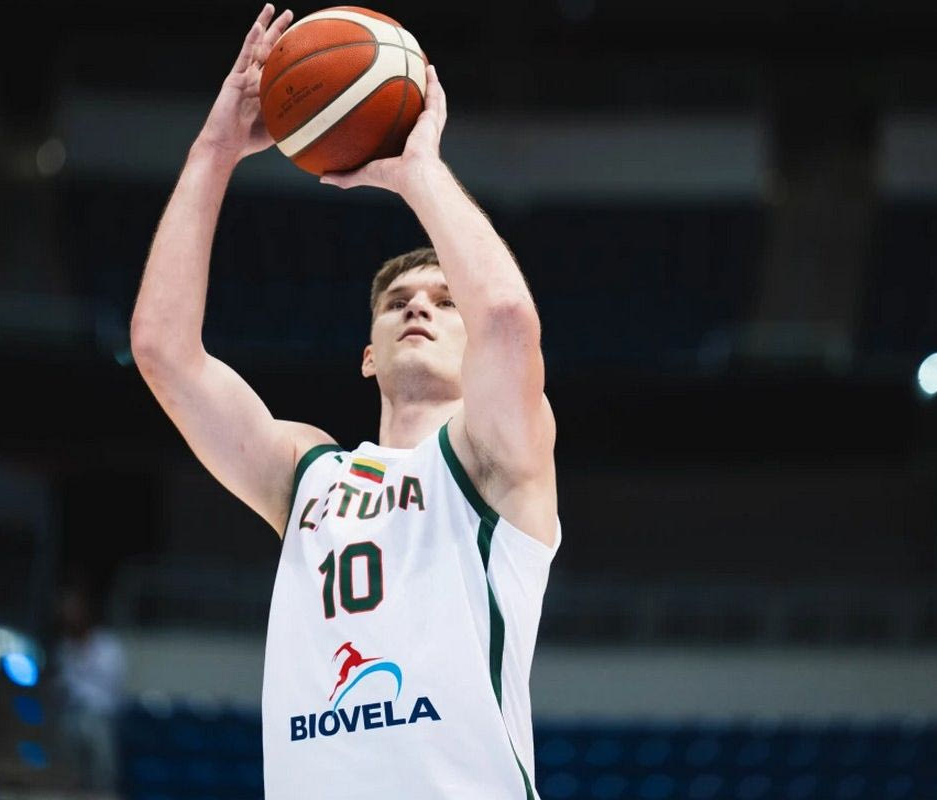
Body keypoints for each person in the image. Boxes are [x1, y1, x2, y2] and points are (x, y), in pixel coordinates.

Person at [130, 5, 560, 798]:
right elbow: (162, 351)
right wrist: (215, 149)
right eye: (397, 302)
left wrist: (418, 171)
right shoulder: (308, 473)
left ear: (475, 351)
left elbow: (505, 316)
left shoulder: (498, 460)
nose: (418, 306)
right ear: (369, 355)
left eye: (444, 301)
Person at [52, 583, 126, 793]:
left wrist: (83, 666)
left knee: (102, 770)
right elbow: (64, 684)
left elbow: (111, 680)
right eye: (67, 613)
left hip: (100, 715)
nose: (70, 617)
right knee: (70, 770)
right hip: (71, 714)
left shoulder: (108, 645)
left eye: (74, 611)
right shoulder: (65, 647)